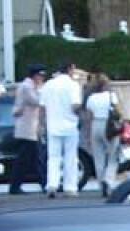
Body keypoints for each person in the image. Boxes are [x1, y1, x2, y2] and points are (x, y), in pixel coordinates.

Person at [41, 61, 82, 197]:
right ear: (69, 69)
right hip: (70, 125)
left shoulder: (48, 85)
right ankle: (70, 187)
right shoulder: (73, 85)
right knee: (70, 156)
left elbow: (42, 107)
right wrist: (80, 114)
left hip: (52, 124)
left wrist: (41, 124)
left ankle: (52, 184)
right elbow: (75, 105)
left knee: (53, 157)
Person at [83, 69, 121, 197]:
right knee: (113, 156)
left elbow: (88, 118)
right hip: (109, 126)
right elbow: (117, 112)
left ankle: (101, 183)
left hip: (96, 126)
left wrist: (88, 136)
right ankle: (108, 180)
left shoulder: (91, 98)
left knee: (98, 157)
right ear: (106, 84)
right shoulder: (111, 96)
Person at [9, 64, 45, 194]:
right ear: (35, 75)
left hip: (31, 128)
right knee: (25, 160)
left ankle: (43, 183)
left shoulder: (30, 86)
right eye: (40, 75)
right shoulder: (26, 86)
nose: (41, 78)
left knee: (34, 158)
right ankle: (15, 186)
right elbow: (37, 101)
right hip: (26, 129)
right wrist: (41, 89)